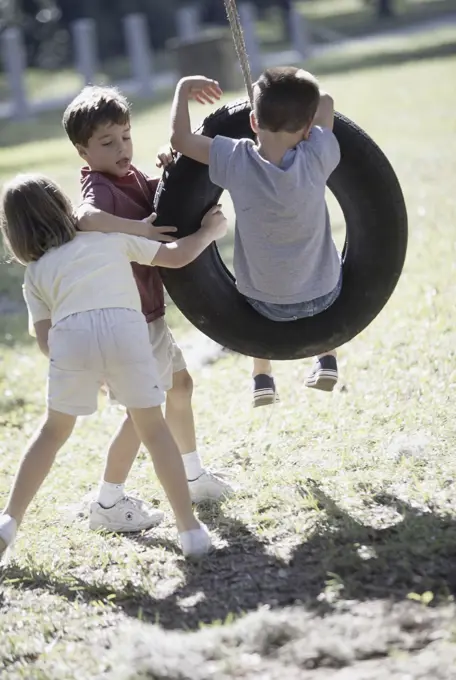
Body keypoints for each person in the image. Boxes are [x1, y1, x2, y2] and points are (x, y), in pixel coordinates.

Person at [0, 174, 228, 561]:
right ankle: (189, 530)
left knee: (52, 433)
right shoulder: (106, 239)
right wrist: (210, 231)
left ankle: (7, 522)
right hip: (126, 331)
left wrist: (87, 367)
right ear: (64, 208)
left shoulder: (35, 275)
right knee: (153, 430)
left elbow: (45, 342)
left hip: (70, 340)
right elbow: (174, 254)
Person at [60, 85, 234, 534]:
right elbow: (85, 219)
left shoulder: (129, 176)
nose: (121, 148)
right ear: (83, 150)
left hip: (149, 317)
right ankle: (107, 500)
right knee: (142, 417)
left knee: (180, 386)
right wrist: (134, 229)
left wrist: (169, 169)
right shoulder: (97, 185)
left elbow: (159, 204)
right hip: (128, 321)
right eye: (107, 142)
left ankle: (193, 474)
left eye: (125, 136)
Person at [169, 67, 342, 407]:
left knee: (247, 296)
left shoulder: (235, 159)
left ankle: (262, 377)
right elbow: (326, 101)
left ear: (251, 122)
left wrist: (183, 88)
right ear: (307, 129)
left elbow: (180, 141)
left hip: (263, 305)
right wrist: (302, 106)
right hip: (325, 295)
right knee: (319, 268)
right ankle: (327, 359)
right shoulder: (318, 153)